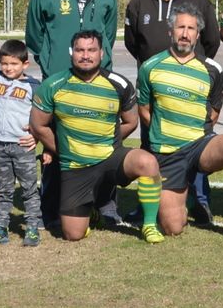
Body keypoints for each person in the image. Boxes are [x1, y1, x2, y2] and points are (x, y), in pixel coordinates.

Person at [136, 4, 223, 243]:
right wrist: (166, 133)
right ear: (170, 30)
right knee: (173, 227)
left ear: (198, 34)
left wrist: (196, 132)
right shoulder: (150, 67)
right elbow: (144, 110)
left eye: (191, 28)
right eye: (180, 27)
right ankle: (188, 195)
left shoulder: (212, 69)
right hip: (168, 152)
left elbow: (214, 111)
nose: (185, 33)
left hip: (200, 145)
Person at [30, 30, 164, 244]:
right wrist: (63, 150)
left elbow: (131, 122)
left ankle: (149, 225)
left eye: (91, 50)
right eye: (80, 50)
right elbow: (38, 125)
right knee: (72, 235)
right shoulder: (54, 85)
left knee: (147, 162)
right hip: (75, 166)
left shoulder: (118, 84)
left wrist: (105, 142)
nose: (85, 55)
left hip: (110, 156)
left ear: (101, 53)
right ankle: (93, 214)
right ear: (71, 53)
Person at [24, 0, 120, 228]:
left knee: (103, 144)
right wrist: (51, 64)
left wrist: (98, 62)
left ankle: (106, 205)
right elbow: (34, 35)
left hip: (98, 81)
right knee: (55, 147)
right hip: (60, 81)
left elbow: (110, 32)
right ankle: (51, 207)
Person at [124, 0, 222, 226]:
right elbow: (133, 43)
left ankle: (201, 202)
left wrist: (190, 72)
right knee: (151, 147)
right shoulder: (138, 2)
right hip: (154, 88)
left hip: (191, 88)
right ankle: (147, 207)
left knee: (198, 144)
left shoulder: (198, 1)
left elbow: (212, 41)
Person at [0, 39, 43, 248]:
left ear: (25, 64)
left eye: (14, 64)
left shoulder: (34, 86)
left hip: (22, 146)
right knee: (3, 190)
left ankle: (33, 226)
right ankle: (1, 227)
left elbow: (46, 116)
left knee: (29, 189)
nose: (8, 68)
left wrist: (37, 136)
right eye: (5, 63)